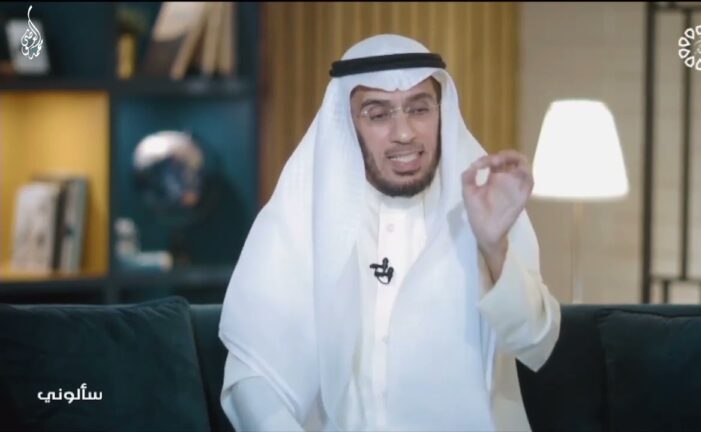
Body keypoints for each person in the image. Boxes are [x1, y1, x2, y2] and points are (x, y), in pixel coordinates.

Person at [218, 34, 561, 432]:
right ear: (347, 125)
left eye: (419, 109)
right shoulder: (297, 218)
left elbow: (536, 341)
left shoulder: (485, 208)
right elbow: (253, 378)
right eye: (378, 114)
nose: (404, 133)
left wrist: (493, 247)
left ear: (441, 113)